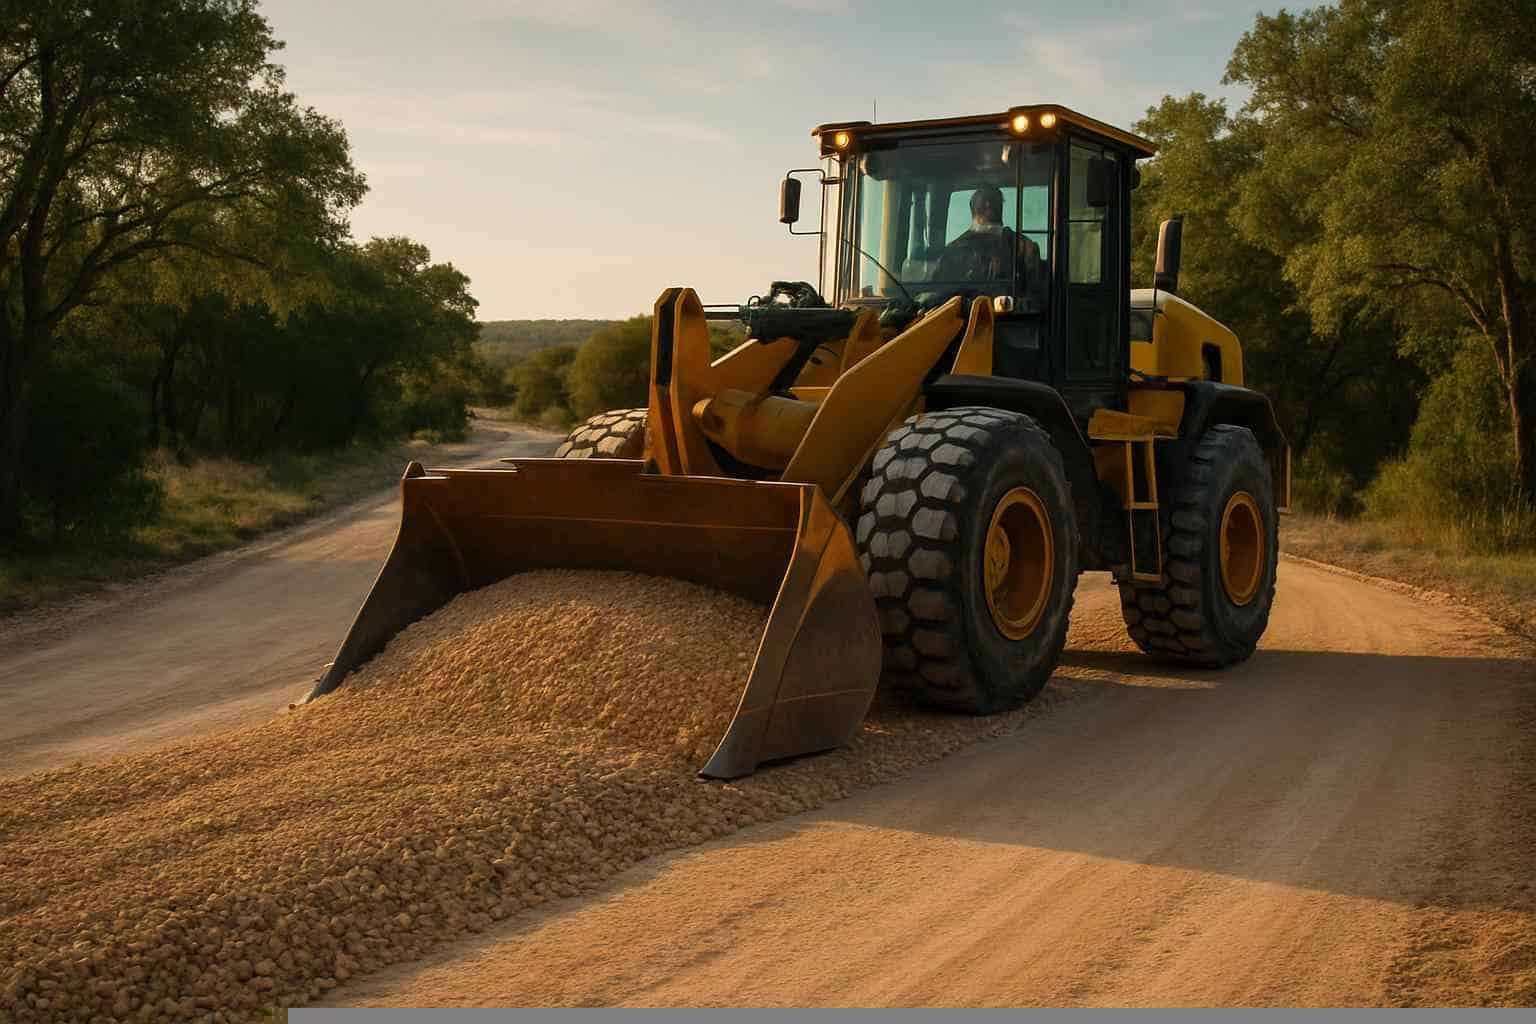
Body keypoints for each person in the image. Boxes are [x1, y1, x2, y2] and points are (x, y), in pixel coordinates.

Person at [933, 184, 1046, 306]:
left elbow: (1036, 301)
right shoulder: (1024, 247)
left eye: (994, 202)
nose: (990, 206)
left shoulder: (952, 251)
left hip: (1008, 322)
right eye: (991, 202)